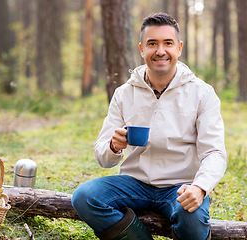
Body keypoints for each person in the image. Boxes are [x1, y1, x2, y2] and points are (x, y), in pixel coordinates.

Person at [72, 12, 227, 240]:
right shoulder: (124, 94)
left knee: (192, 218)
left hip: (180, 186)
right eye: (152, 44)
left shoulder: (202, 93)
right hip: (135, 183)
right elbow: (102, 157)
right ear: (141, 49)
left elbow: (214, 152)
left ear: (179, 48)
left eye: (168, 43)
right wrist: (114, 146)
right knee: (84, 197)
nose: (160, 51)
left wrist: (200, 187)